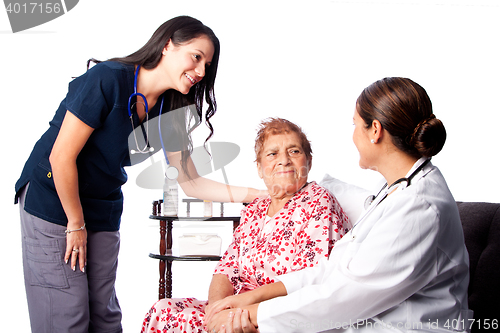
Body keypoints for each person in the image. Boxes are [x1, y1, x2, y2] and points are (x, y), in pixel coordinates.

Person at [15, 16, 264, 333]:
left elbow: (192, 182)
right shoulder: (108, 80)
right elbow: (61, 157)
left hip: (102, 205)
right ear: (167, 45)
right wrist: (75, 224)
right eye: (196, 57)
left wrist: (258, 195)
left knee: (105, 317)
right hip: (54, 201)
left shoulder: (172, 111)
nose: (202, 72)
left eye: (207, 64)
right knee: (66, 317)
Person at [205, 78, 472, 333]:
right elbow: (336, 269)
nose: (353, 136)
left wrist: (251, 315)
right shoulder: (398, 189)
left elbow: (341, 297)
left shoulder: (419, 207)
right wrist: (252, 298)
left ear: (375, 131)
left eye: (355, 125)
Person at [140, 118, 351, 333]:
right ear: (260, 168)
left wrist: (237, 313)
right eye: (272, 154)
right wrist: (216, 309)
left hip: (275, 315)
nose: (284, 160)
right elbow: (226, 269)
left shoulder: (318, 202)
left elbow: (308, 281)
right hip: (234, 307)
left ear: (309, 161)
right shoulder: (255, 209)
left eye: (294, 151)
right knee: (162, 310)